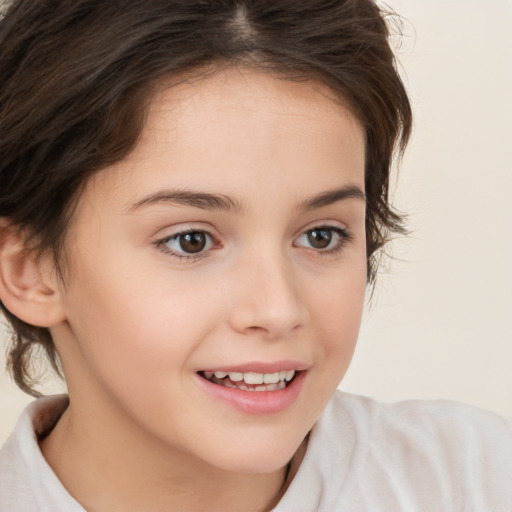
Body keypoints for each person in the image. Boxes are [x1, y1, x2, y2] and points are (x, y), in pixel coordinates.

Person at [0, 1, 510, 511]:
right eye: (191, 240)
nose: (278, 310)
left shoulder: (475, 479)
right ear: (29, 272)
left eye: (321, 236)